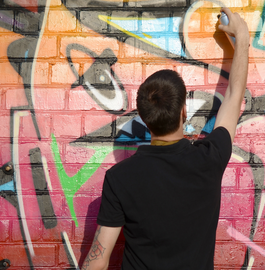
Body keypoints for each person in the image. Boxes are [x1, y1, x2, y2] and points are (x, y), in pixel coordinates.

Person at [80, 7, 249, 270]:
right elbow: (234, 96)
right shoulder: (209, 159)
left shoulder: (119, 178)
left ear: (145, 120)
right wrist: (242, 40)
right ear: (183, 111)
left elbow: (97, 261)